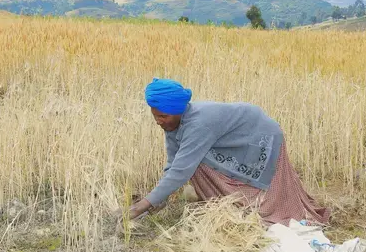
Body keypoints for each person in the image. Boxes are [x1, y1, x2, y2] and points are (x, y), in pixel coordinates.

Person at [128, 78, 330, 226]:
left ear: (177, 111)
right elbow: (173, 163)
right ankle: (231, 202)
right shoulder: (173, 124)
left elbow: (181, 171)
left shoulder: (199, 124)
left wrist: (140, 207)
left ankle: (255, 207)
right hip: (237, 138)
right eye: (155, 116)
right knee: (196, 161)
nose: (158, 121)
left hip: (261, 135)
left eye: (162, 116)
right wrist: (157, 200)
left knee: (270, 194)